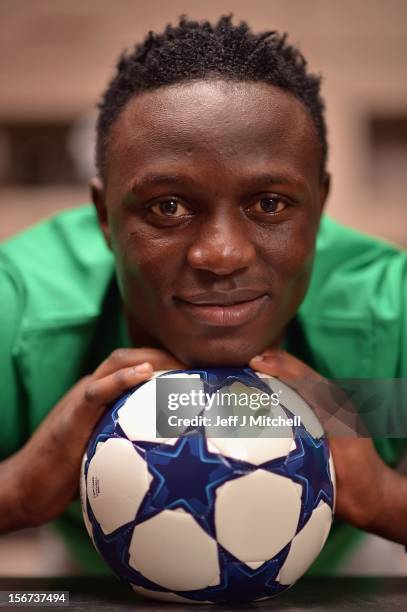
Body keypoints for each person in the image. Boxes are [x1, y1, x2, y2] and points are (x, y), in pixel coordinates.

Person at [0, 15, 406, 576]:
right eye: (168, 206)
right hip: (86, 575)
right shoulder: (21, 313)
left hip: (342, 568)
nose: (221, 254)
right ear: (103, 217)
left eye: (268, 203)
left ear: (320, 206)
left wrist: (386, 498)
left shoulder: (384, 311)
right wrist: (17, 489)